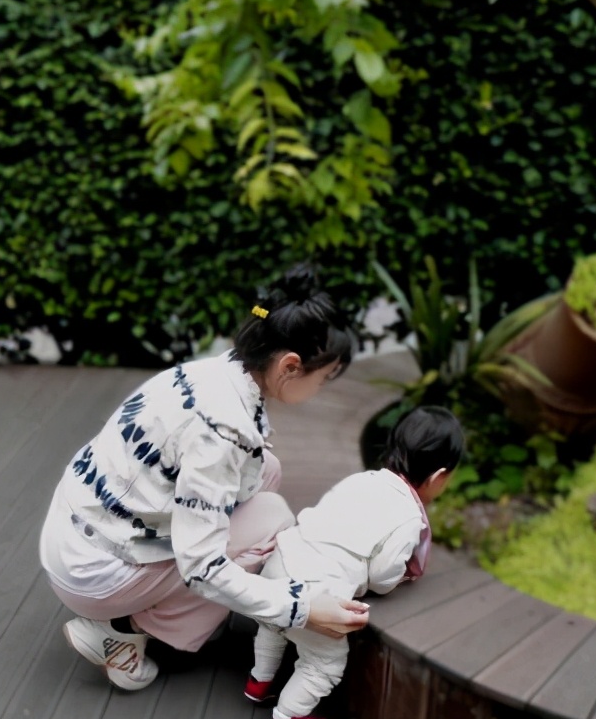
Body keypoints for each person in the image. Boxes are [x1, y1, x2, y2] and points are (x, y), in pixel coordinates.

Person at [39, 264, 371, 693]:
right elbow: (202, 567)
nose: (321, 389)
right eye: (323, 379)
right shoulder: (221, 432)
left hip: (75, 532)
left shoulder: (208, 374)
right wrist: (303, 608)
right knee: (272, 519)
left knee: (266, 470)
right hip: (95, 573)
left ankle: (160, 611)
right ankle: (122, 632)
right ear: (290, 366)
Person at [243, 406, 465, 719]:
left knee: (272, 626)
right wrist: (395, 579)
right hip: (316, 594)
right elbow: (382, 576)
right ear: (438, 478)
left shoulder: (361, 480)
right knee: (324, 662)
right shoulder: (408, 519)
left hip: (281, 560)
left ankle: (260, 681)